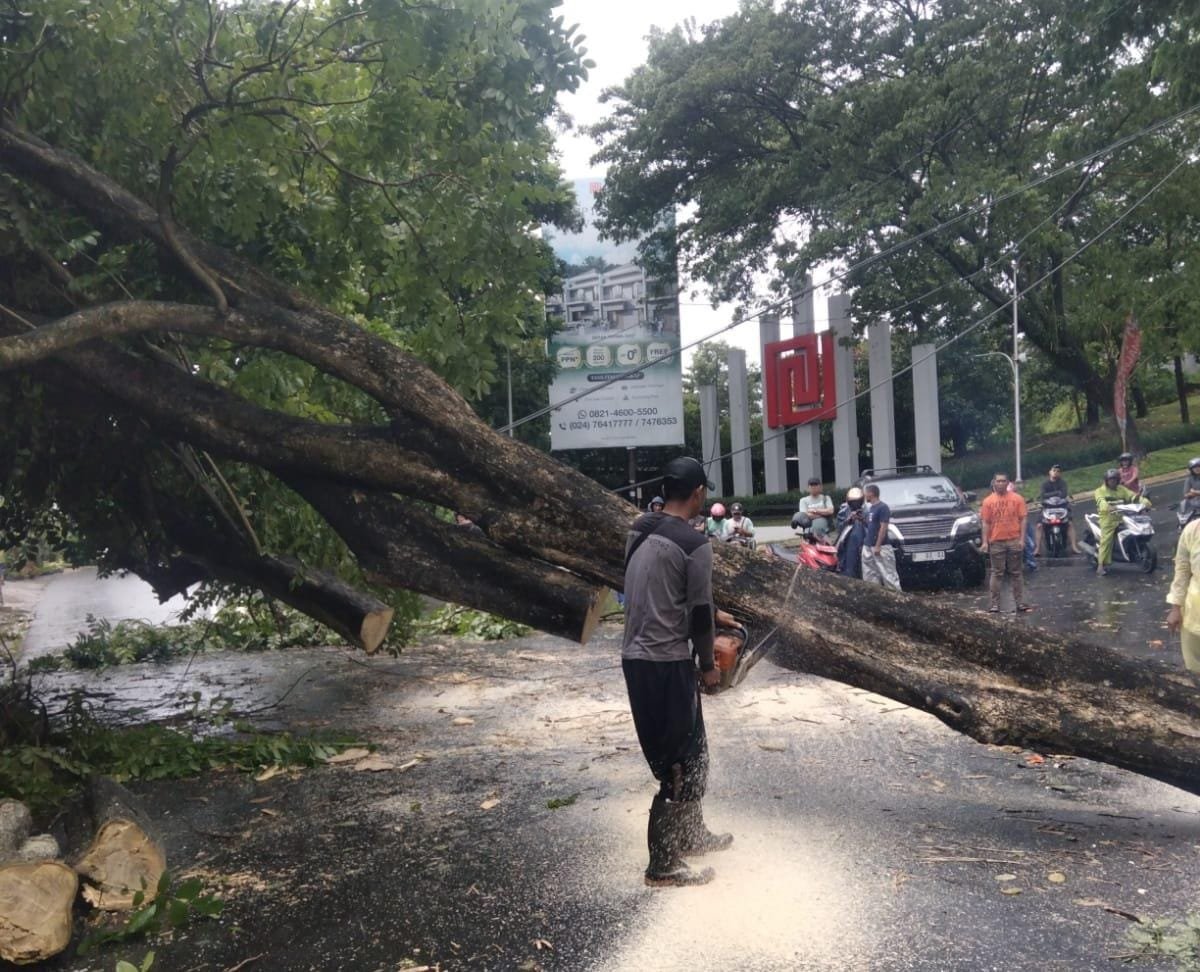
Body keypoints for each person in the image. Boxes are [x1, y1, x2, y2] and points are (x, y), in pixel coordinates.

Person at [622, 456, 737, 887]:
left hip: (641, 657)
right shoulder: (694, 543)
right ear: (699, 493)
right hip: (664, 662)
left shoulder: (638, 527)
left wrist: (712, 613)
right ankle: (662, 865)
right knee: (676, 767)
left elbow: (656, 585)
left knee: (696, 753)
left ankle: (691, 834)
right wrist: (709, 667)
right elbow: (700, 614)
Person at [979, 472, 1032, 613]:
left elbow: (1023, 519)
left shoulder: (1017, 499)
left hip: (1014, 540)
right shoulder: (988, 502)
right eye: (998, 481)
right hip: (996, 542)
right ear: (994, 483)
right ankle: (994, 604)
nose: (1001, 483)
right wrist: (985, 542)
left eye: (1003, 481)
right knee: (997, 573)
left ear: (1008, 483)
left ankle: (1020, 602)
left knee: (1016, 572)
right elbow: (985, 523)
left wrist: (1022, 539)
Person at [1094, 468, 1150, 576]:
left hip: (1123, 516)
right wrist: (1107, 507)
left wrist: (1145, 502)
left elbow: (1133, 497)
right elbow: (1101, 502)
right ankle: (1100, 566)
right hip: (1108, 519)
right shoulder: (1100, 491)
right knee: (1106, 539)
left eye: (1115, 479)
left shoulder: (1121, 489)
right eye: (1110, 480)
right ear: (1106, 480)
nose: (1113, 482)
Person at [1166, 518, 1200, 673]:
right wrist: (1175, 608)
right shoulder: (1193, 530)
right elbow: (1182, 570)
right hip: (1192, 618)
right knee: (1193, 671)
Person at [860, 484, 902, 591]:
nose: (864, 495)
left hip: (881, 546)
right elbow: (871, 525)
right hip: (868, 545)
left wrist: (878, 545)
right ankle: (875, 597)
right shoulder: (871, 508)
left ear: (871, 493)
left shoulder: (883, 507)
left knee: (888, 574)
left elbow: (883, 528)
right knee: (870, 574)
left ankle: (896, 597)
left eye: (866, 492)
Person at [1034, 463, 1080, 555]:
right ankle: (1037, 549)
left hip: (1062, 507)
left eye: (1058, 471)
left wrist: (1052, 494)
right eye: (1054, 470)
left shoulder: (1063, 483)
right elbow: (1043, 495)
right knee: (1039, 526)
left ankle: (1074, 547)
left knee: (1070, 524)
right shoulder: (1045, 484)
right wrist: (1057, 492)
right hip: (1047, 508)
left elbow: (1063, 494)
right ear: (1050, 472)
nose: (1056, 473)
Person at [836, 486, 868, 578]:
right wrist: (849, 520)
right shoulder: (844, 510)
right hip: (848, 544)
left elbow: (871, 526)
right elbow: (840, 527)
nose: (855, 503)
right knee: (849, 567)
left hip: (864, 542)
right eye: (853, 501)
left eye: (857, 501)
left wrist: (862, 519)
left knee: (865, 568)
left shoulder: (867, 509)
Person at [1180, 458, 1200, 526]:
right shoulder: (1189, 479)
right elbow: (1186, 494)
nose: (1197, 469)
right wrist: (1193, 493)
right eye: (1194, 467)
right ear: (1191, 469)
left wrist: (1195, 492)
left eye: (1198, 467)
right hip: (1195, 503)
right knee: (1183, 503)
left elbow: (1191, 493)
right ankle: (1183, 525)